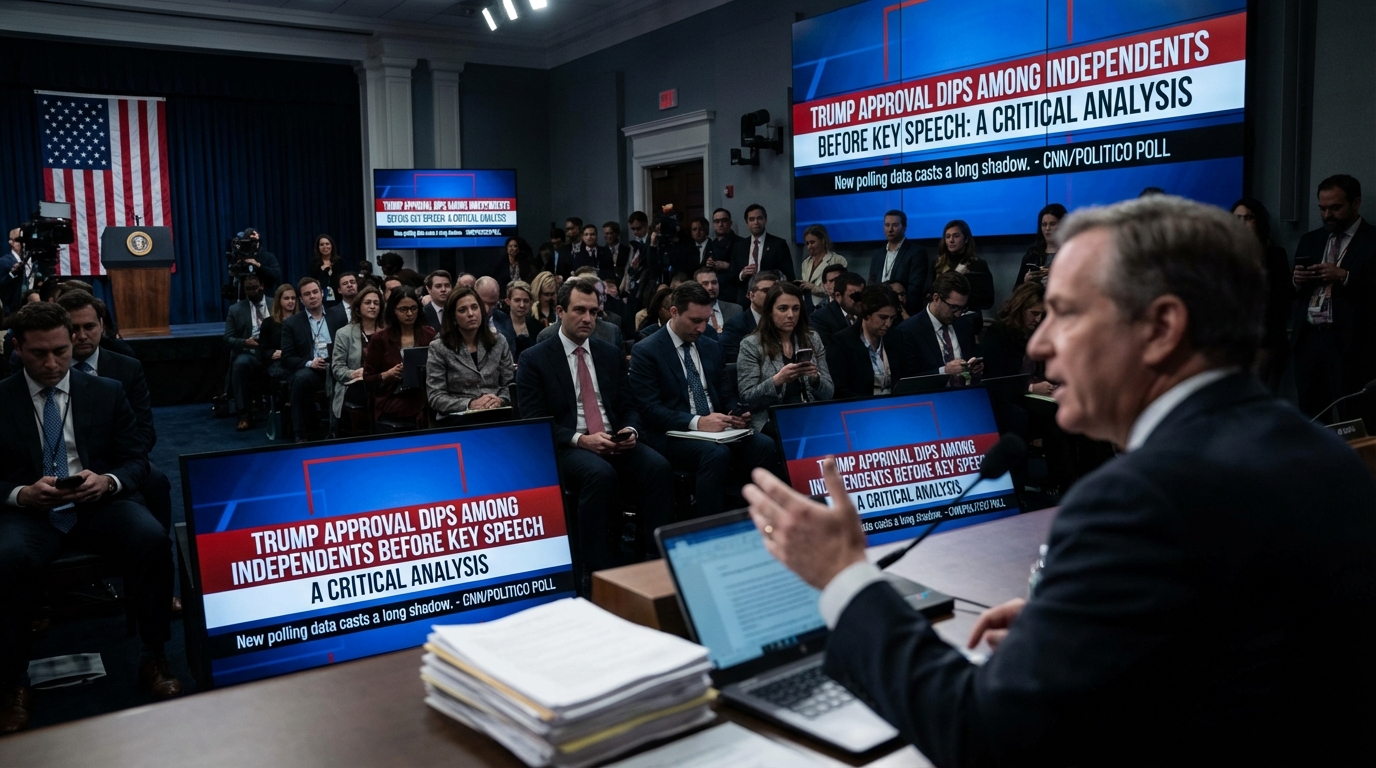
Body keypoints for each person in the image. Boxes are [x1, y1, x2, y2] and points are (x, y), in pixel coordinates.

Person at [742, 195, 1376, 767]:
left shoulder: (1138, 499)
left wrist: (844, 577)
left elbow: (984, 737)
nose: (1040, 343)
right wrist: (1081, 626)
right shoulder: (1324, 454)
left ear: (1161, 328)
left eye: (1064, 313)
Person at [1, 303, 183, 733]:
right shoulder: (2, 398)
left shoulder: (106, 391)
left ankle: (154, 656)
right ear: (17, 349)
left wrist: (110, 481)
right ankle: (12, 682)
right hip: (29, 512)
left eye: (61, 352)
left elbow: (137, 458)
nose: (52, 363)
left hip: (96, 502)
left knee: (152, 538)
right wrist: (21, 493)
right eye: (38, 354)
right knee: (5, 560)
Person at [516, 279, 672, 586]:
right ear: (560, 311)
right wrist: (581, 440)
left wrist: (629, 429)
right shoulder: (535, 359)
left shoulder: (609, 353)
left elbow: (629, 405)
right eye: (579, 310)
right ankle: (596, 569)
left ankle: (654, 559)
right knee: (599, 474)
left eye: (593, 311)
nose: (588, 318)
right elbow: (536, 422)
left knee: (659, 468)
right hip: (567, 445)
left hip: (613, 439)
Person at [629, 281, 777, 519]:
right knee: (715, 455)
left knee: (765, 445)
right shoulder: (647, 350)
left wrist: (734, 413)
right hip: (672, 433)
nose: (701, 327)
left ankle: (760, 521)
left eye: (706, 320)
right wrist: (697, 422)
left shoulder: (710, 346)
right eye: (695, 321)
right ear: (674, 312)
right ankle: (711, 529)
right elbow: (649, 410)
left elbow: (725, 394)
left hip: (717, 428)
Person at [1291, 174, 1376, 426]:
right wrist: (1297, 280)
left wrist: (1345, 276)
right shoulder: (1311, 239)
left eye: (1335, 208)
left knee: (1355, 417)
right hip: (1309, 340)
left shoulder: (1372, 240)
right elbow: (1294, 293)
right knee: (1311, 416)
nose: (1328, 215)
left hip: (1351, 344)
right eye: (1322, 208)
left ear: (1356, 203)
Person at [737, 282, 833, 432]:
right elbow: (748, 399)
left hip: (810, 413)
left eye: (796, 309)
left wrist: (815, 379)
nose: (791, 315)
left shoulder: (812, 339)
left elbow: (829, 393)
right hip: (771, 418)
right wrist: (778, 380)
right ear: (769, 311)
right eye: (783, 309)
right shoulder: (751, 344)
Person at [1231, 198, 1292, 392]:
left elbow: (1280, 299)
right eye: (1237, 218)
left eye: (1248, 218)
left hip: (1266, 340)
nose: (1242, 223)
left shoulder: (1274, 255)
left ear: (1259, 221)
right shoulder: (1224, 253)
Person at [426, 285, 514, 416]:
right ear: (453, 317)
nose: (471, 314)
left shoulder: (499, 342)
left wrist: (500, 400)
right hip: (458, 419)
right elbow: (436, 396)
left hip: (496, 413)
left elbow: (510, 384)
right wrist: (470, 404)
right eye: (462, 310)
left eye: (474, 307)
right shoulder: (439, 347)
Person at [363, 286, 437, 427]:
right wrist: (386, 375)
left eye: (414, 308)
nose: (409, 314)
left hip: (425, 395)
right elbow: (367, 378)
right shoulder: (380, 338)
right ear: (393, 311)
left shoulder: (429, 334)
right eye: (403, 310)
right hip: (392, 397)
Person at [893, 271, 983, 382]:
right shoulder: (908, 331)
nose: (958, 313)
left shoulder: (964, 324)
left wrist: (975, 368)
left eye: (962, 308)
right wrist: (944, 371)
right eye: (953, 307)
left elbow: (972, 358)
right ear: (936, 298)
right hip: (930, 396)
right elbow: (908, 379)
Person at [280, 278, 335, 442]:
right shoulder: (292, 323)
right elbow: (287, 357)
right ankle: (300, 434)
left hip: (335, 365)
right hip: (311, 370)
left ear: (321, 294)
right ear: (301, 300)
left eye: (315, 292)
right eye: (307, 294)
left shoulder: (337, 316)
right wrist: (310, 363)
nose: (312, 296)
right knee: (300, 379)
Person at [830, 285, 904, 399]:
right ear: (866, 313)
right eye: (883, 317)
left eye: (892, 318)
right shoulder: (842, 342)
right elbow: (840, 389)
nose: (888, 324)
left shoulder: (896, 337)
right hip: (860, 408)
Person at [224, 273, 270, 430]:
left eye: (254, 288)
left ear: (261, 286)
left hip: (275, 351)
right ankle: (243, 414)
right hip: (251, 353)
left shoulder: (275, 303)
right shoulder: (235, 309)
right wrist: (244, 342)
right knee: (240, 363)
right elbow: (228, 339)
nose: (251, 292)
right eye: (247, 289)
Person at [329, 285, 382, 421]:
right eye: (368, 302)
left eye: (376, 303)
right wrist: (353, 373)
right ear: (358, 307)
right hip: (355, 385)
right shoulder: (344, 333)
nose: (372, 306)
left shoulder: (388, 332)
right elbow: (337, 368)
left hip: (383, 383)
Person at [728, 204, 795, 307]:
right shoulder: (739, 246)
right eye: (751, 219)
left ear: (765, 220)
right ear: (747, 223)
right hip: (745, 300)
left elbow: (789, 276)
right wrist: (742, 274)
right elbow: (731, 276)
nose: (756, 222)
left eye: (759, 218)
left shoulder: (778, 244)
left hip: (771, 298)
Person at [868, 210, 927, 313]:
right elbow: (871, 283)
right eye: (887, 225)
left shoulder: (916, 252)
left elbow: (915, 288)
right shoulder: (877, 253)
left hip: (904, 311)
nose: (890, 229)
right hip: (877, 310)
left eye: (895, 225)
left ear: (904, 227)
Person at [933, 219, 995, 313]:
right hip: (941, 316)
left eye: (956, 236)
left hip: (968, 316)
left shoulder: (978, 264)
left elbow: (988, 301)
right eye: (947, 237)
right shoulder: (937, 264)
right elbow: (927, 294)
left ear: (966, 239)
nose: (951, 240)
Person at [720, 271, 779, 362]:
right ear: (751, 295)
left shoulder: (785, 320)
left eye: (775, 291)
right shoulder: (735, 325)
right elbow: (732, 361)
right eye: (766, 291)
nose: (772, 295)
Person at [1015, 203, 1067, 289]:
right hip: (1034, 300)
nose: (1047, 228)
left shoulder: (1071, 254)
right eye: (1044, 224)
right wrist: (1026, 282)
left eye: (1052, 224)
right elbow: (1016, 290)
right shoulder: (1032, 254)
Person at [798, 224, 847, 310]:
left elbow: (839, 289)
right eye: (807, 243)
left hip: (828, 307)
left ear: (823, 240)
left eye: (812, 242)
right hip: (807, 307)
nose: (809, 246)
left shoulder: (837, 260)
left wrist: (813, 288)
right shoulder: (805, 263)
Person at [810, 271, 866, 341]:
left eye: (863, 295)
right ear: (838, 296)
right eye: (855, 296)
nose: (860, 300)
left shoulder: (867, 314)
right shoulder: (820, 318)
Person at [257, 283, 297, 380]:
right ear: (279, 300)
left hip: (297, 360)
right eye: (286, 298)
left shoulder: (302, 320)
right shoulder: (268, 323)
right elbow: (262, 350)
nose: (291, 301)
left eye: (293, 298)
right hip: (278, 363)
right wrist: (271, 353)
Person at [504, 280, 544, 362]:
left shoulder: (537, 326)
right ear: (508, 301)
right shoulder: (500, 325)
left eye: (526, 301)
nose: (522, 305)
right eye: (517, 300)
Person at [707, 208, 742, 302]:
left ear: (730, 223)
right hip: (714, 291)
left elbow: (746, 268)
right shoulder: (711, 244)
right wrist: (708, 264)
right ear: (713, 224)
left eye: (724, 221)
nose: (720, 224)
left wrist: (728, 266)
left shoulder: (741, 243)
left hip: (734, 292)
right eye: (717, 221)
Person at [694, 266, 741, 335]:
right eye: (705, 284)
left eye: (714, 282)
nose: (710, 287)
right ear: (696, 286)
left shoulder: (735, 310)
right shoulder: (690, 312)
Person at [309, 234, 343, 305]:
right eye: (321, 245)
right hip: (320, 300)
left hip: (338, 298)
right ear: (318, 247)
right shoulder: (314, 263)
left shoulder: (340, 262)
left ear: (332, 246)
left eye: (327, 244)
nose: (325, 247)